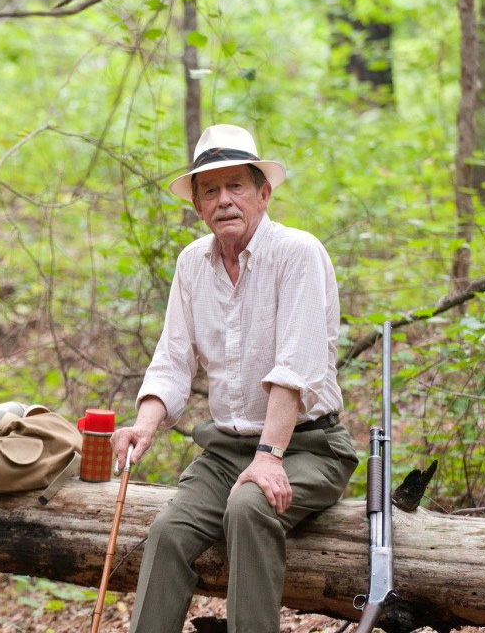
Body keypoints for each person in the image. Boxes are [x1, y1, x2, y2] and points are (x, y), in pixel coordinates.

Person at [111, 125, 358, 633]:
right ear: (198, 206)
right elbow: (173, 359)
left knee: (249, 507)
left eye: (236, 186)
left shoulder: (298, 253)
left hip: (310, 447)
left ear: (263, 194)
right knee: (168, 531)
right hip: (226, 450)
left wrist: (269, 456)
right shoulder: (192, 264)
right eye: (210, 190)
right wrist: (144, 424)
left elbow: (296, 369)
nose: (224, 200)